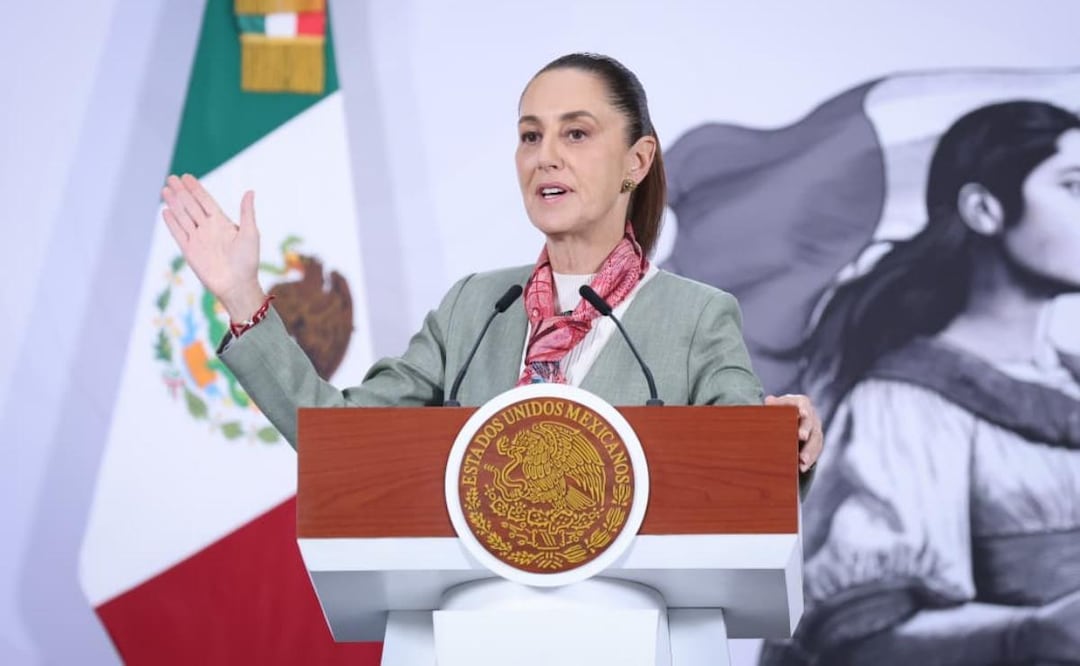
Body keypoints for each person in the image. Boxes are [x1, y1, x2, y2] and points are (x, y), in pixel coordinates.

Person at [160, 52, 823, 486]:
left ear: (637, 161)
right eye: (531, 135)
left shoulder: (697, 317)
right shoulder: (474, 309)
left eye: (576, 133)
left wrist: (785, 440)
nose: (545, 156)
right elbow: (335, 438)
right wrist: (242, 295)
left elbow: (751, 479)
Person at [760, 101, 1080, 665]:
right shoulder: (904, 404)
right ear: (984, 209)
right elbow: (857, 631)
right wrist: (1032, 634)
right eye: (1074, 187)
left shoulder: (1066, 381)